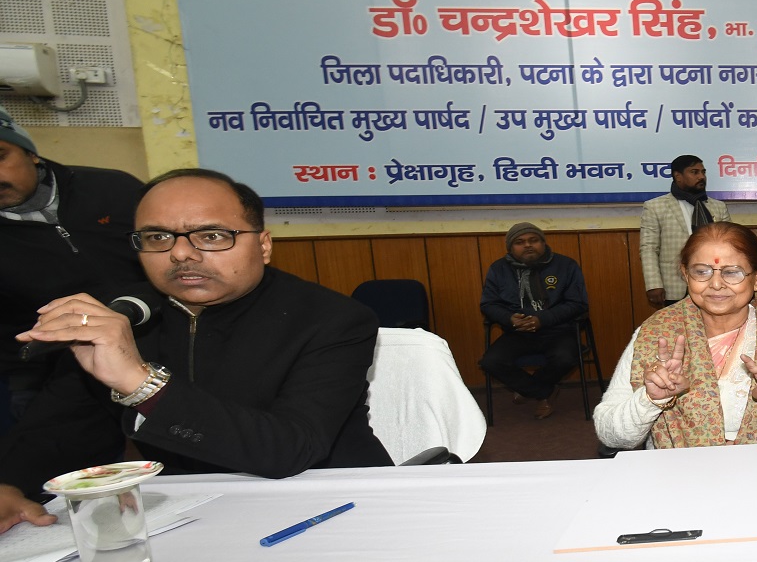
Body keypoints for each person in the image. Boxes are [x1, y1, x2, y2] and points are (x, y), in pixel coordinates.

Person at [0, 168, 391, 533]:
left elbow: (291, 448)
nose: (181, 254)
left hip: (330, 504)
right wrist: (10, 484)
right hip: (187, 511)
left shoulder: (331, 318)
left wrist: (141, 383)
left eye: (212, 236)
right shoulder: (122, 315)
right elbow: (62, 426)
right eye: (158, 237)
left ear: (264, 245)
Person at [596, 222, 757, 449]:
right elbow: (611, 434)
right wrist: (650, 399)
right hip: (681, 473)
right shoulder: (654, 335)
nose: (716, 284)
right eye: (701, 271)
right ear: (685, 274)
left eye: (732, 272)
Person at [0, 107, 147, 430]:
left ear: (31, 153)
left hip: (161, 344)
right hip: (53, 375)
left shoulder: (113, 188)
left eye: (1, 156)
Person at [480, 222, 589, 419]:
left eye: (534, 240)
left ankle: (529, 388)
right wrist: (509, 318)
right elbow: (489, 304)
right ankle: (544, 391)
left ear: (543, 243)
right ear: (510, 248)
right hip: (518, 332)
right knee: (491, 362)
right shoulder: (498, 269)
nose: (528, 245)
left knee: (565, 358)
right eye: (520, 242)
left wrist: (542, 319)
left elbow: (577, 303)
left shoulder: (566, 266)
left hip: (558, 330)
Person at [640, 154, 731, 308]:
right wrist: (653, 284)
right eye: (694, 172)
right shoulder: (655, 207)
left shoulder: (718, 207)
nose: (701, 177)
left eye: (703, 172)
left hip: (714, 284)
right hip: (674, 287)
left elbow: (729, 246)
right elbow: (649, 248)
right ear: (678, 176)